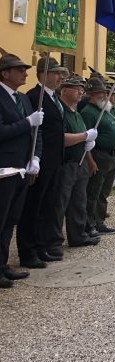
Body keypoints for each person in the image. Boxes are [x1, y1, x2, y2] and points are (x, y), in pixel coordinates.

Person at [17, 56, 65, 266]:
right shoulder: (34, 97)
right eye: (56, 73)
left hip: (55, 160)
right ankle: (29, 251)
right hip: (41, 161)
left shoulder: (55, 98)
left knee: (48, 205)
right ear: (44, 75)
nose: (60, 77)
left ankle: (42, 245)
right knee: (33, 207)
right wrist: (34, 158)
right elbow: (36, 132)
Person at [0, 54, 42, 287]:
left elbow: (37, 133)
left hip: (22, 168)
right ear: (5, 73)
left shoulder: (24, 99)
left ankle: (3, 265)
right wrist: (27, 122)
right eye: (19, 70)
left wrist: (35, 157)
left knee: (10, 220)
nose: (25, 73)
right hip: (4, 168)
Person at [57, 75, 99, 248]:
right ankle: (55, 240)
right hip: (66, 163)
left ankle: (78, 235)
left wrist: (89, 157)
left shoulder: (76, 113)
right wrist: (84, 136)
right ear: (64, 89)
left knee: (79, 202)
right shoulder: (62, 112)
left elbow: (83, 139)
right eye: (76, 88)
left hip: (80, 161)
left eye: (82, 88)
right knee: (61, 203)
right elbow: (62, 139)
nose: (81, 91)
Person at [81, 77, 115, 236]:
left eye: (105, 92)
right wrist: (90, 161)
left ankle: (99, 220)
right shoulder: (88, 113)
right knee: (93, 192)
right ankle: (90, 224)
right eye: (100, 93)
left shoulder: (106, 109)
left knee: (104, 191)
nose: (104, 95)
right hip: (99, 156)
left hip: (112, 156)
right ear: (91, 95)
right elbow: (86, 140)